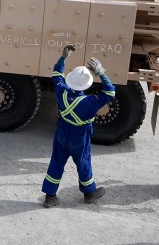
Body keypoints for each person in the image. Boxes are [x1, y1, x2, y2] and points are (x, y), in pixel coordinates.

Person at [41, 45, 115, 208]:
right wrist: (101, 73)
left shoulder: (63, 92)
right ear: (86, 85)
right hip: (79, 137)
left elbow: (56, 75)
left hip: (62, 132)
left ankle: (50, 197)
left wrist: (63, 57)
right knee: (83, 162)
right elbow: (110, 93)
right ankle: (89, 193)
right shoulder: (90, 102)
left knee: (56, 162)